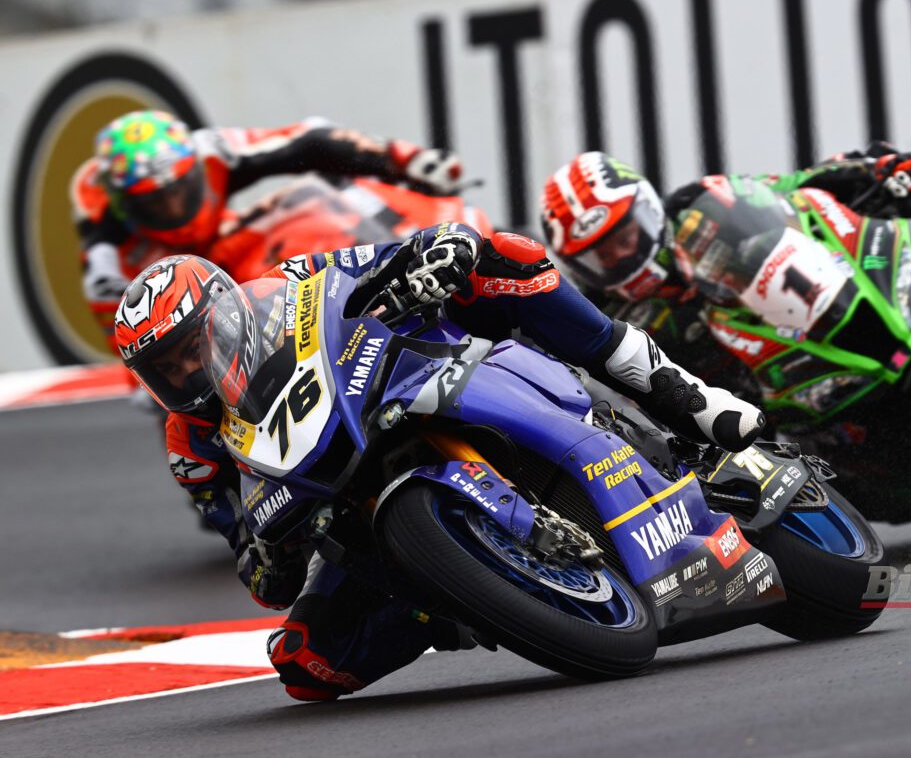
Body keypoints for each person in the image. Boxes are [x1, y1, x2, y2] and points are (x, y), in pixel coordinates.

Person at [113, 223, 764, 701]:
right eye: (164, 370)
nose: (185, 373)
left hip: (408, 382)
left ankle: (683, 399)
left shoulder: (288, 284)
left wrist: (432, 255)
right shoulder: (190, 448)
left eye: (189, 351)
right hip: (340, 497)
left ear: (225, 316)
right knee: (306, 663)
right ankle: (457, 597)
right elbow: (247, 554)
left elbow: (395, 251)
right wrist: (265, 555)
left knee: (503, 254)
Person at [538, 146, 911, 331]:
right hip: (771, 411)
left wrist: (866, 168)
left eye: (624, 236)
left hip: (815, 314)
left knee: (884, 177)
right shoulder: (608, 315)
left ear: (648, 211)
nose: (620, 256)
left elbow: (787, 190)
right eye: (600, 254)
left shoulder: (694, 209)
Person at [74, 109, 464, 352]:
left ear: (194, 168)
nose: (174, 208)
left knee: (305, 202)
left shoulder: (211, 149)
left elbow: (310, 139)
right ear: (125, 203)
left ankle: (411, 245)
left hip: (223, 242)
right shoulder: (100, 219)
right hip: (163, 275)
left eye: (181, 190)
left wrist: (403, 159)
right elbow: (101, 277)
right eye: (156, 202)